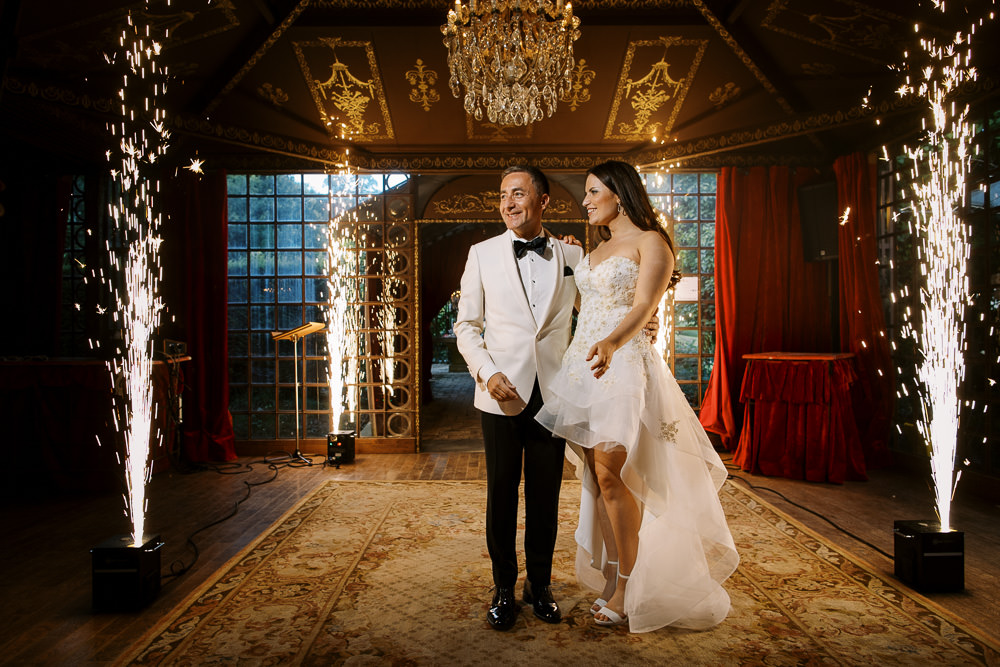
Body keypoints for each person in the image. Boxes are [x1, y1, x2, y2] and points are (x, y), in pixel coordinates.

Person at [535, 160, 739, 632]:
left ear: (618, 193)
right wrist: (572, 260)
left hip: (622, 365)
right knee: (598, 477)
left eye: (591, 192)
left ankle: (629, 586)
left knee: (615, 475)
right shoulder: (596, 248)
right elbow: (592, 303)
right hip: (582, 370)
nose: (584, 202)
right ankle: (615, 576)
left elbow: (645, 305)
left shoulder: (653, 243)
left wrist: (612, 341)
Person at [454, 165, 584, 631]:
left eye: (519, 193)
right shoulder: (481, 254)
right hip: (500, 395)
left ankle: (540, 585)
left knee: (546, 496)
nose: (509, 203)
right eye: (503, 195)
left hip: (553, 394)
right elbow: (466, 326)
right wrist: (487, 374)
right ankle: (504, 588)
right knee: (502, 494)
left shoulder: (572, 252)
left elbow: (593, 315)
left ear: (543, 200)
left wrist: (641, 321)